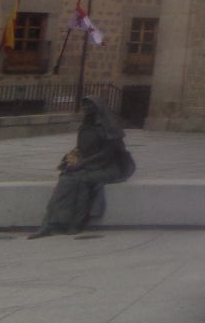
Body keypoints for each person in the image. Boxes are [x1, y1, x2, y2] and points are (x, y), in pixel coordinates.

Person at [28, 97, 136, 238]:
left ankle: (76, 222)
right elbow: (81, 149)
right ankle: (49, 224)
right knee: (66, 179)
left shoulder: (109, 128)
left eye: (89, 104)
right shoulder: (85, 127)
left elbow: (107, 155)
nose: (85, 107)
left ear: (97, 107)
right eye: (84, 104)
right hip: (91, 165)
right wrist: (69, 159)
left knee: (82, 179)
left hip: (110, 168)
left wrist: (82, 164)